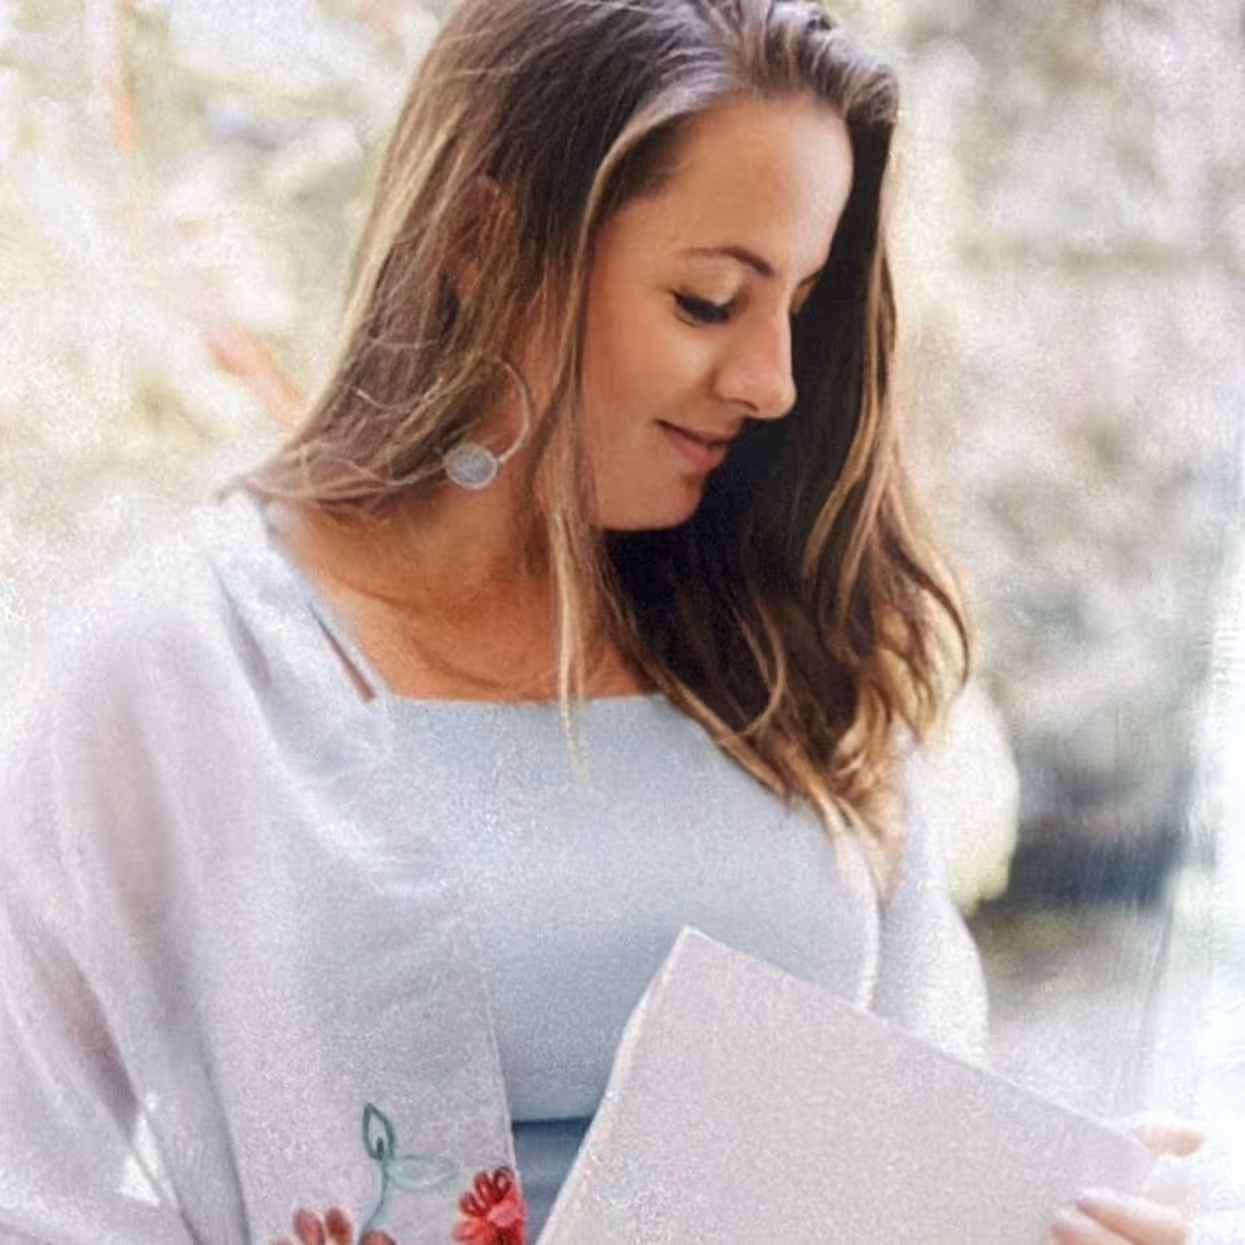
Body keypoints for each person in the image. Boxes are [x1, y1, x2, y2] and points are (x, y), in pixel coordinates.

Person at [0, 1, 1194, 1242]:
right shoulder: (187, 669)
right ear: (481, 238)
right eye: (708, 299)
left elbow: (921, 1114)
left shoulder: (794, 650)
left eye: (801, 301)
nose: (774, 381)